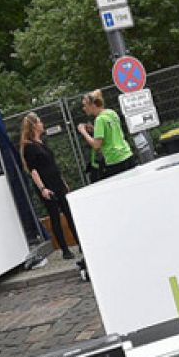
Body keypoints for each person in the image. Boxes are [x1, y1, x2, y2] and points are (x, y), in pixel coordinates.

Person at [20, 113, 77, 259]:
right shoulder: (29, 147)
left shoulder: (41, 142)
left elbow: (52, 164)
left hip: (57, 182)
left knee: (68, 212)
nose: (42, 124)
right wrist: (42, 188)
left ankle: (79, 242)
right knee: (55, 216)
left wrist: (62, 180)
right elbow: (33, 170)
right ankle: (64, 249)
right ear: (34, 126)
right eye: (39, 122)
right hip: (47, 185)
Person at [77, 90, 136, 180]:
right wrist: (94, 130)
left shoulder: (99, 119)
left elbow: (96, 145)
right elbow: (111, 131)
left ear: (93, 105)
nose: (83, 108)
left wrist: (83, 131)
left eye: (85, 105)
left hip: (115, 160)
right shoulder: (111, 113)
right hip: (127, 154)